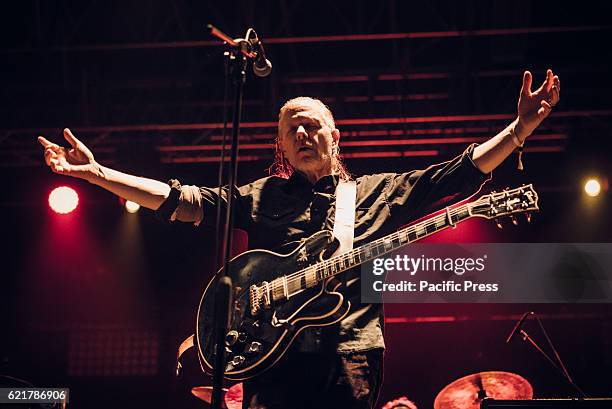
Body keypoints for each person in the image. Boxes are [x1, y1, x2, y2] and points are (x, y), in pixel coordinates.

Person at [38, 70, 560, 409]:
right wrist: (100, 174)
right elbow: (183, 201)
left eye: (312, 127)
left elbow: (458, 173)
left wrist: (518, 130)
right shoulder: (262, 195)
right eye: (292, 131)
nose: (302, 135)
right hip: (274, 359)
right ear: (282, 146)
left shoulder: (376, 194)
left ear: (335, 137)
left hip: (349, 356)